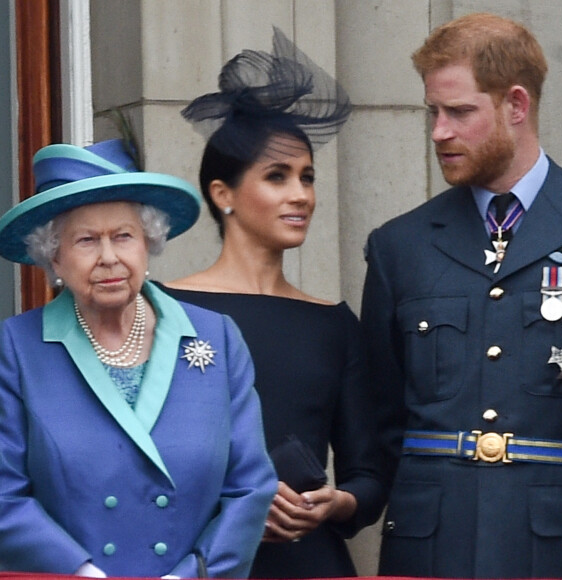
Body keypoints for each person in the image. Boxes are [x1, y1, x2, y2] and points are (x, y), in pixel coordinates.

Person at [156, 28, 387, 579]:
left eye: (307, 177)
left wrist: (341, 502)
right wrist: (234, 507)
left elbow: (371, 473)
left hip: (312, 563)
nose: (301, 194)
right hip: (197, 562)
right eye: (277, 176)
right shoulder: (163, 310)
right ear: (222, 195)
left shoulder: (334, 322)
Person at [361, 11, 562, 579]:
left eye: (459, 112)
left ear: (516, 105)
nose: (439, 131)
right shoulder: (399, 246)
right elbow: (381, 417)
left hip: (558, 546)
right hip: (431, 546)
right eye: (433, 112)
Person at [0, 138, 278, 578]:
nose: (109, 257)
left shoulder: (216, 338)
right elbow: (3, 494)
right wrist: (79, 572)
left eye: (123, 236)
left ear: (148, 243)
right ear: (54, 255)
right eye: (86, 240)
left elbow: (250, 486)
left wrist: (192, 575)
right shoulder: (16, 349)